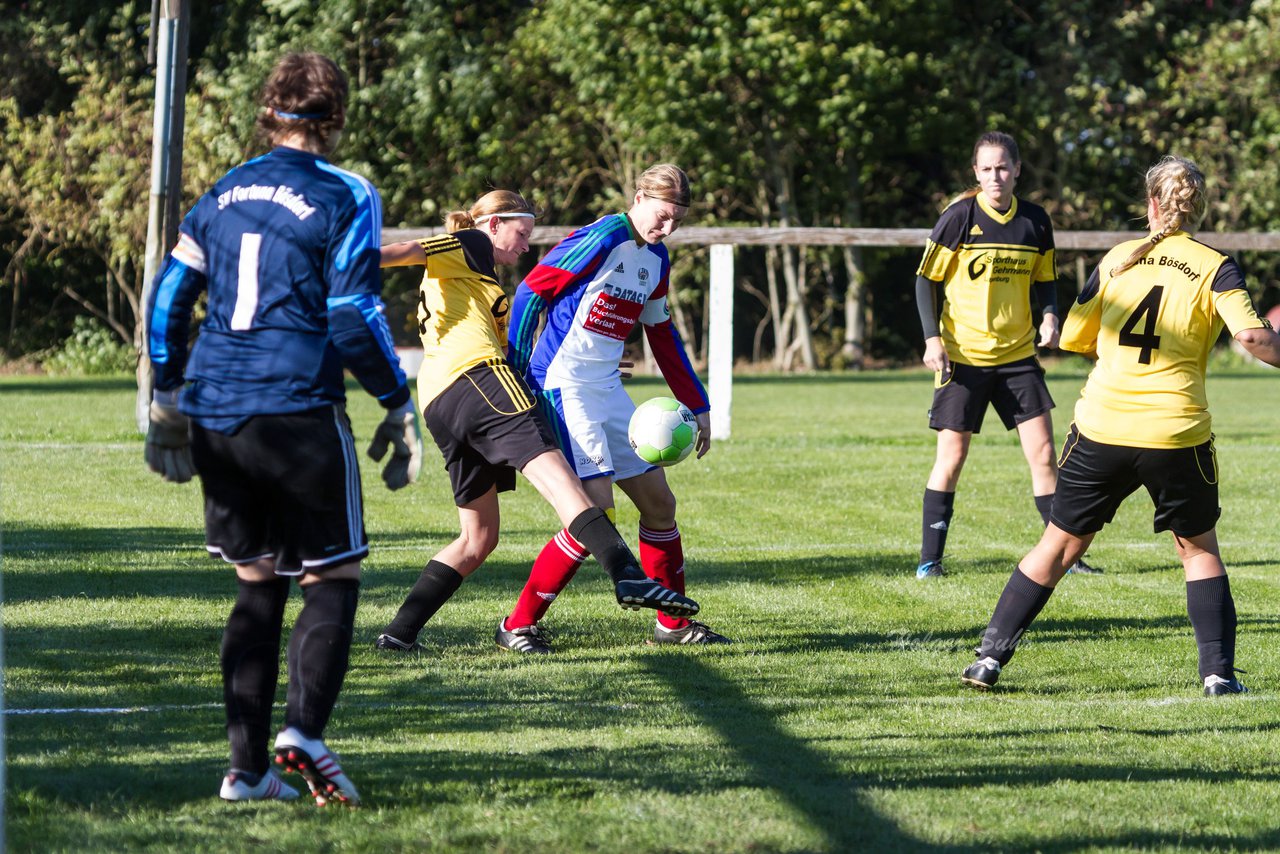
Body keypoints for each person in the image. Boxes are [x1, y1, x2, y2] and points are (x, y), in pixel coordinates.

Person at [144, 52, 424, 805]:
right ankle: (303, 732)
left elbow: (170, 296)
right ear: (335, 119)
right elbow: (352, 312)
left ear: (268, 111)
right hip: (297, 405)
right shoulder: (348, 192)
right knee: (332, 573)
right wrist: (397, 400)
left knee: (255, 581)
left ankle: (245, 771)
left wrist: (167, 396)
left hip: (218, 408)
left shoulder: (222, 192)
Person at [960, 155, 1280, 695]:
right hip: (1174, 433)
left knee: (1059, 545)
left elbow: (1076, 337)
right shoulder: (1213, 265)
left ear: (1151, 205)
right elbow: (1252, 337)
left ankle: (988, 660)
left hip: (1102, 425)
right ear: (1195, 206)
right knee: (1197, 548)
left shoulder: (1116, 261)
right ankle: (1218, 677)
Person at [373, 191, 699, 656]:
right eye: (522, 233)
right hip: (480, 379)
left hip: (438, 399)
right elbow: (401, 253)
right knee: (568, 487)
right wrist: (333, 264)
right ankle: (626, 574)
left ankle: (398, 634)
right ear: (492, 224)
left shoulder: (475, 281)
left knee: (478, 537)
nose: (526, 246)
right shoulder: (469, 241)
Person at [507, 163, 729, 646]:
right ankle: (518, 625)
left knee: (659, 503)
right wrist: (517, 370)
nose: (667, 228)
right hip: (562, 387)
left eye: (677, 221)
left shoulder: (658, 260)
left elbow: (662, 335)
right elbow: (530, 293)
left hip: (607, 390)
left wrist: (698, 403)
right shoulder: (604, 236)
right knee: (595, 510)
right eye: (663, 215)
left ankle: (672, 624)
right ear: (639, 197)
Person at [914, 131, 1099, 579]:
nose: (995, 176)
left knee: (1043, 455)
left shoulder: (1035, 220)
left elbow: (1045, 278)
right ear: (975, 173)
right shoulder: (959, 218)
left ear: (1017, 170)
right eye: (986, 169)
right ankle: (929, 561)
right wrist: (931, 339)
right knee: (952, 458)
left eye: (1003, 167)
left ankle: (1063, 559)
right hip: (964, 358)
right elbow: (926, 281)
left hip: (1018, 359)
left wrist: (1051, 315)